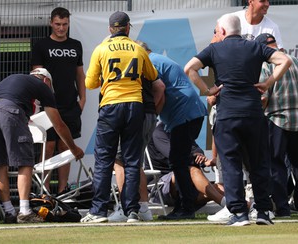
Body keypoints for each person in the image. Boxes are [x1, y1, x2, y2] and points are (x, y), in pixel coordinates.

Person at [184, 13, 291, 226]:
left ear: (222, 31)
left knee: (231, 164)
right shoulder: (253, 46)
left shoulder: (214, 49)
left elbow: (189, 68)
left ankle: (239, 213)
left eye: (216, 30)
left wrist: (208, 90)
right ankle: (262, 211)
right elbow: (284, 60)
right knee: (259, 162)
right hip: (253, 113)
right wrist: (267, 83)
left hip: (227, 115)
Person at [81, 11, 158, 223]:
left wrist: (106, 79)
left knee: (104, 160)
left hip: (110, 105)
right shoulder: (137, 48)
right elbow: (152, 76)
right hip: (135, 105)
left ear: (110, 29)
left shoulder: (101, 48)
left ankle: (98, 211)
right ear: (128, 28)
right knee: (132, 160)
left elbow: (89, 83)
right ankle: (131, 211)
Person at [0, 68, 84, 224]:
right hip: (9, 110)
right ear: (46, 80)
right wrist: (73, 149)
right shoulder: (42, 86)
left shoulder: (15, 78)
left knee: (0, 163)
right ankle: (24, 211)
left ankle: (9, 212)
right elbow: (58, 125)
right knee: (25, 162)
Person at [136, 40, 208, 220]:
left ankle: (186, 207)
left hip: (184, 114)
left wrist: (153, 116)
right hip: (188, 113)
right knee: (180, 160)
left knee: (178, 161)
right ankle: (187, 204)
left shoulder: (149, 61)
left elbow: (158, 90)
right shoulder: (157, 59)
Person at [31, 7, 86, 195]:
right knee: (49, 146)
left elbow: (80, 74)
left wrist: (83, 99)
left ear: (69, 23)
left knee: (65, 147)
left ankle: (63, 191)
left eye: (64, 24)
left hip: (71, 104)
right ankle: (44, 191)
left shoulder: (76, 45)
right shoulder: (41, 45)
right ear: (50, 23)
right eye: (57, 24)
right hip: (49, 104)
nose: (61, 28)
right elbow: (38, 75)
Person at [256, 33, 298, 217]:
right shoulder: (294, 60)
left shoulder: (267, 64)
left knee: (276, 164)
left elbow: (264, 97)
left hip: (278, 119)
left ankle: (282, 207)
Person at [108, 76, 165, 222]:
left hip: (134, 113)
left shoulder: (130, 60)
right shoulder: (143, 61)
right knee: (135, 161)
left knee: (119, 160)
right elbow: (160, 87)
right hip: (147, 115)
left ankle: (125, 208)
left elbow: (160, 87)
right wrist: (153, 112)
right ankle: (144, 209)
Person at [146, 121, 225, 210]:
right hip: (159, 186)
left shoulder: (178, 128)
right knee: (191, 170)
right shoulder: (158, 131)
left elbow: (195, 147)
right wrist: (199, 161)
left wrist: (199, 154)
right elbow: (175, 156)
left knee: (220, 188)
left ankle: (240, 208)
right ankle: (227, 205)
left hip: (184, 184)